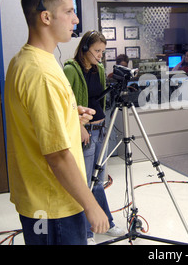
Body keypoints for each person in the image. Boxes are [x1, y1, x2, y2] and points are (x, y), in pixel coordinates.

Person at [4, 0, 109, 245]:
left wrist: (71, 115)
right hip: (54, 205)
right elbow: (58, 156)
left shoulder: (26, 60)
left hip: (40, 198)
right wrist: (92, 205)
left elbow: (36, 122)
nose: (76, 19)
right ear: (46, 17)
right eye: (69, 12)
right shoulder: (41, 73)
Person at [63, 30, 125, 244]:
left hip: (100, 130)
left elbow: (99, 100)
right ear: (85, 48)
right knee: (86, 183)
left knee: (99, 181)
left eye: (103, 51)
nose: (100, 55)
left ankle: (105, 222)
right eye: (97, 51)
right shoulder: (71, 69)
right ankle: (87, 232)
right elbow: (66, 103)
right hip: (85, 132)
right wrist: (78, 127)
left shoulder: (98, 69)